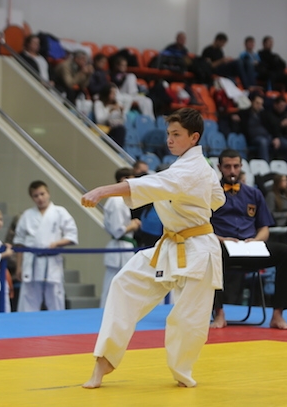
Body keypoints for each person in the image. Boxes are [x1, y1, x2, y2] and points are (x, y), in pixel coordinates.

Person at [80, 108, 225, 389]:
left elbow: (156, 184)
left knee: (188, 318)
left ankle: (182, 371)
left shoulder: (192, 169)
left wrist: (102, 190)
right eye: (169, 133)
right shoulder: (195, 168)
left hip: (199, 249)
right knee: (125, 283)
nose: (169, 139)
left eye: (176, 134)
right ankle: (104, 360)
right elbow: (217, 199)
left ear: (194, 137)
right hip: (170, 245)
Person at [210, 149, 287, 330]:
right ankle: (219, 313)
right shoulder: (209, 194)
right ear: (219, 168)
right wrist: (221, 239)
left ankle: (277, 315)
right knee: (210, 252)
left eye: (236, 166)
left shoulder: (254, 194)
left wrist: (256, 240)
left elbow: (264, 228)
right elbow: (203, 229)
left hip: (251, 247)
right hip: (223, 247)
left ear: (241, 167)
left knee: (286, 253)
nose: (232, 171)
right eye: (227, 167)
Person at [14, 180, 78, 312]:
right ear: (32, 198)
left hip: (52, 261)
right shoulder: (27, 215)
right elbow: (19, 242)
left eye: (42, 194)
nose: (40, 198)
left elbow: (72, 235)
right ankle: (27, 324)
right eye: (35, 196)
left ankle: (57, 324)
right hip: (31, 261)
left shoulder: (60, 212)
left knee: (55, 299)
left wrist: (57, 243)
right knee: (28, 300)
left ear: (48, 193)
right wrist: (18, 266)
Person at [100, 168, 140, 307]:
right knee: (112, 286)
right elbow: (117, 231)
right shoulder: (116, 201)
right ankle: (105, 313)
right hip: (119, 249)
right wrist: (133, 225)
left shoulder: (120, 200)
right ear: (124, 180)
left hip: (123, 248)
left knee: (122, 285)